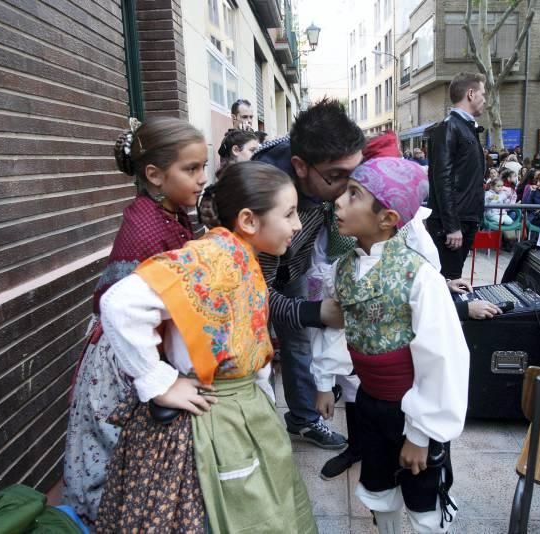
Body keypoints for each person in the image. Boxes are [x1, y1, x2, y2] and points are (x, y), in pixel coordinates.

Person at [95, 162, 317, 533]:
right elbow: (120, 303)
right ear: (248, 220)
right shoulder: (212, 259)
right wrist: (159, 381)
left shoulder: (240, 255)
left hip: (238, 412)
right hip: (214, 418)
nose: (297, 225)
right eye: (290, 213)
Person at [62, 117, 206, 524]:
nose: (200, 180)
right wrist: (159, 378)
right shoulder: (143, 227)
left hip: (144, 347)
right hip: (125, 358)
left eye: (203, 168)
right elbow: (123, 309)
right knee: (117, 460)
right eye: (190, 169)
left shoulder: (172, 212)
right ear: (155, 176)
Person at [315, 157, 469, 533]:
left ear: (387, 218)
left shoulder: (419, 277)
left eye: (354, 195)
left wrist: (420, 433)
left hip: (411, 407)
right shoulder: (343, 268)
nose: (339, 201)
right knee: (379, 481)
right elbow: (338, 325)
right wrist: (324, 378)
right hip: (370, 403)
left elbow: (441, 358)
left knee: (421, 491)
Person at [251, 98, 365, 449]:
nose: (347, 190)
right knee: (256, 355)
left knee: (298, 340)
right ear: (300, 167)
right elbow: (250, 292)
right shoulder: (258, 192)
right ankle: (257, 435)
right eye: (336, 178)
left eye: (355, 175)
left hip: (294, 268)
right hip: (254, 282)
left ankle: (302, 419)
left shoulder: (325, 177)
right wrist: (312, 311)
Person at [427, 71, 487, 279]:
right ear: (471, 94)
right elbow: (441, 179)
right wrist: (452, 226)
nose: (485, 100)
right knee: (449, 280)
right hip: (454, 224)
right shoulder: (449, 127)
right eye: (483, 93)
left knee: (452, 278)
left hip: (463, 219)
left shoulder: (462, 127)